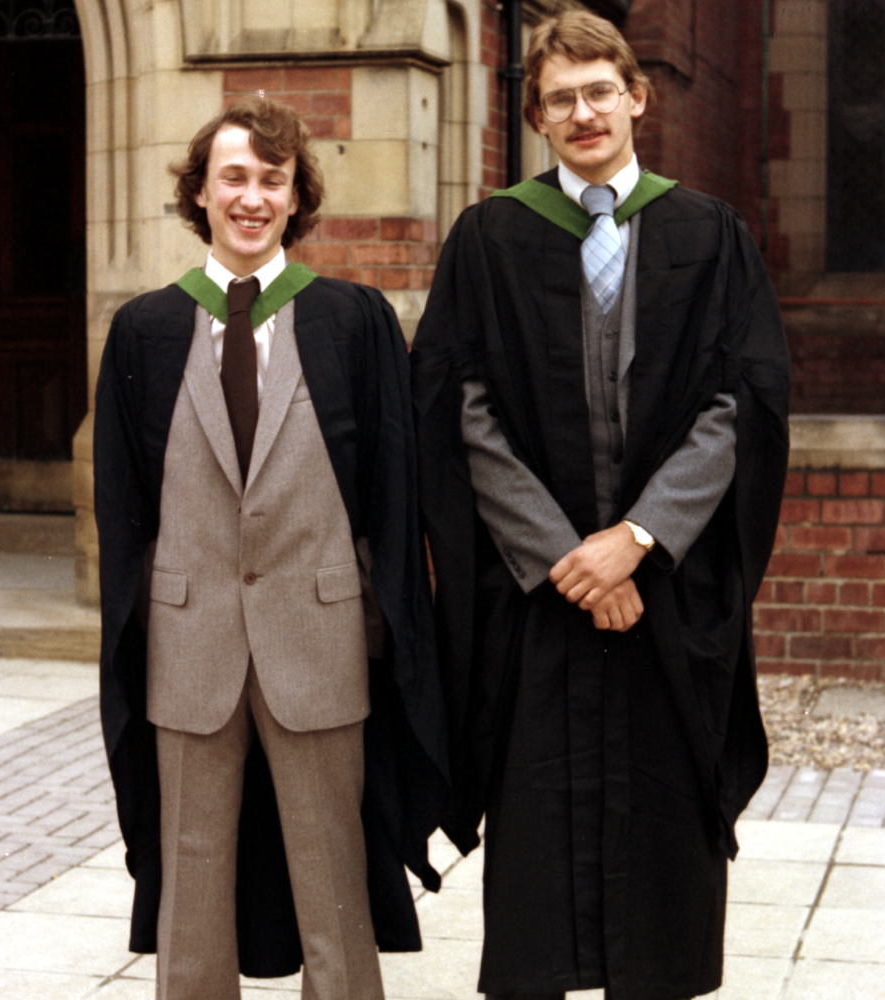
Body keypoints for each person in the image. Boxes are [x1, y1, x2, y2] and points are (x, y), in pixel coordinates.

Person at [412, 10, 789, 1000]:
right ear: (534, 113)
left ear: (636, 95)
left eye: (598, 90)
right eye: (559, 98)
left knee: (662, 849)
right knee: (536, 849)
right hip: (538, 605)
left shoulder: (708, 235)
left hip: (664, 594)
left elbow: (736, 405)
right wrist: (562, 558)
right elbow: (461, 410)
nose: (582, 113)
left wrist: (635, 540)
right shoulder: (491, 237)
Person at [94, 97, 448, 1000]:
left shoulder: (353, 321)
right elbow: (124, 513)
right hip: (190, 645)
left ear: (296, 199)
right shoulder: (146, 330)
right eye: (235, 179)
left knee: (333, 886)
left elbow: (393, 495)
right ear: (201, 194)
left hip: (319, 642)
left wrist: (377, 621)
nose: (252, 198)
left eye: (272, 181)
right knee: (192, 895)